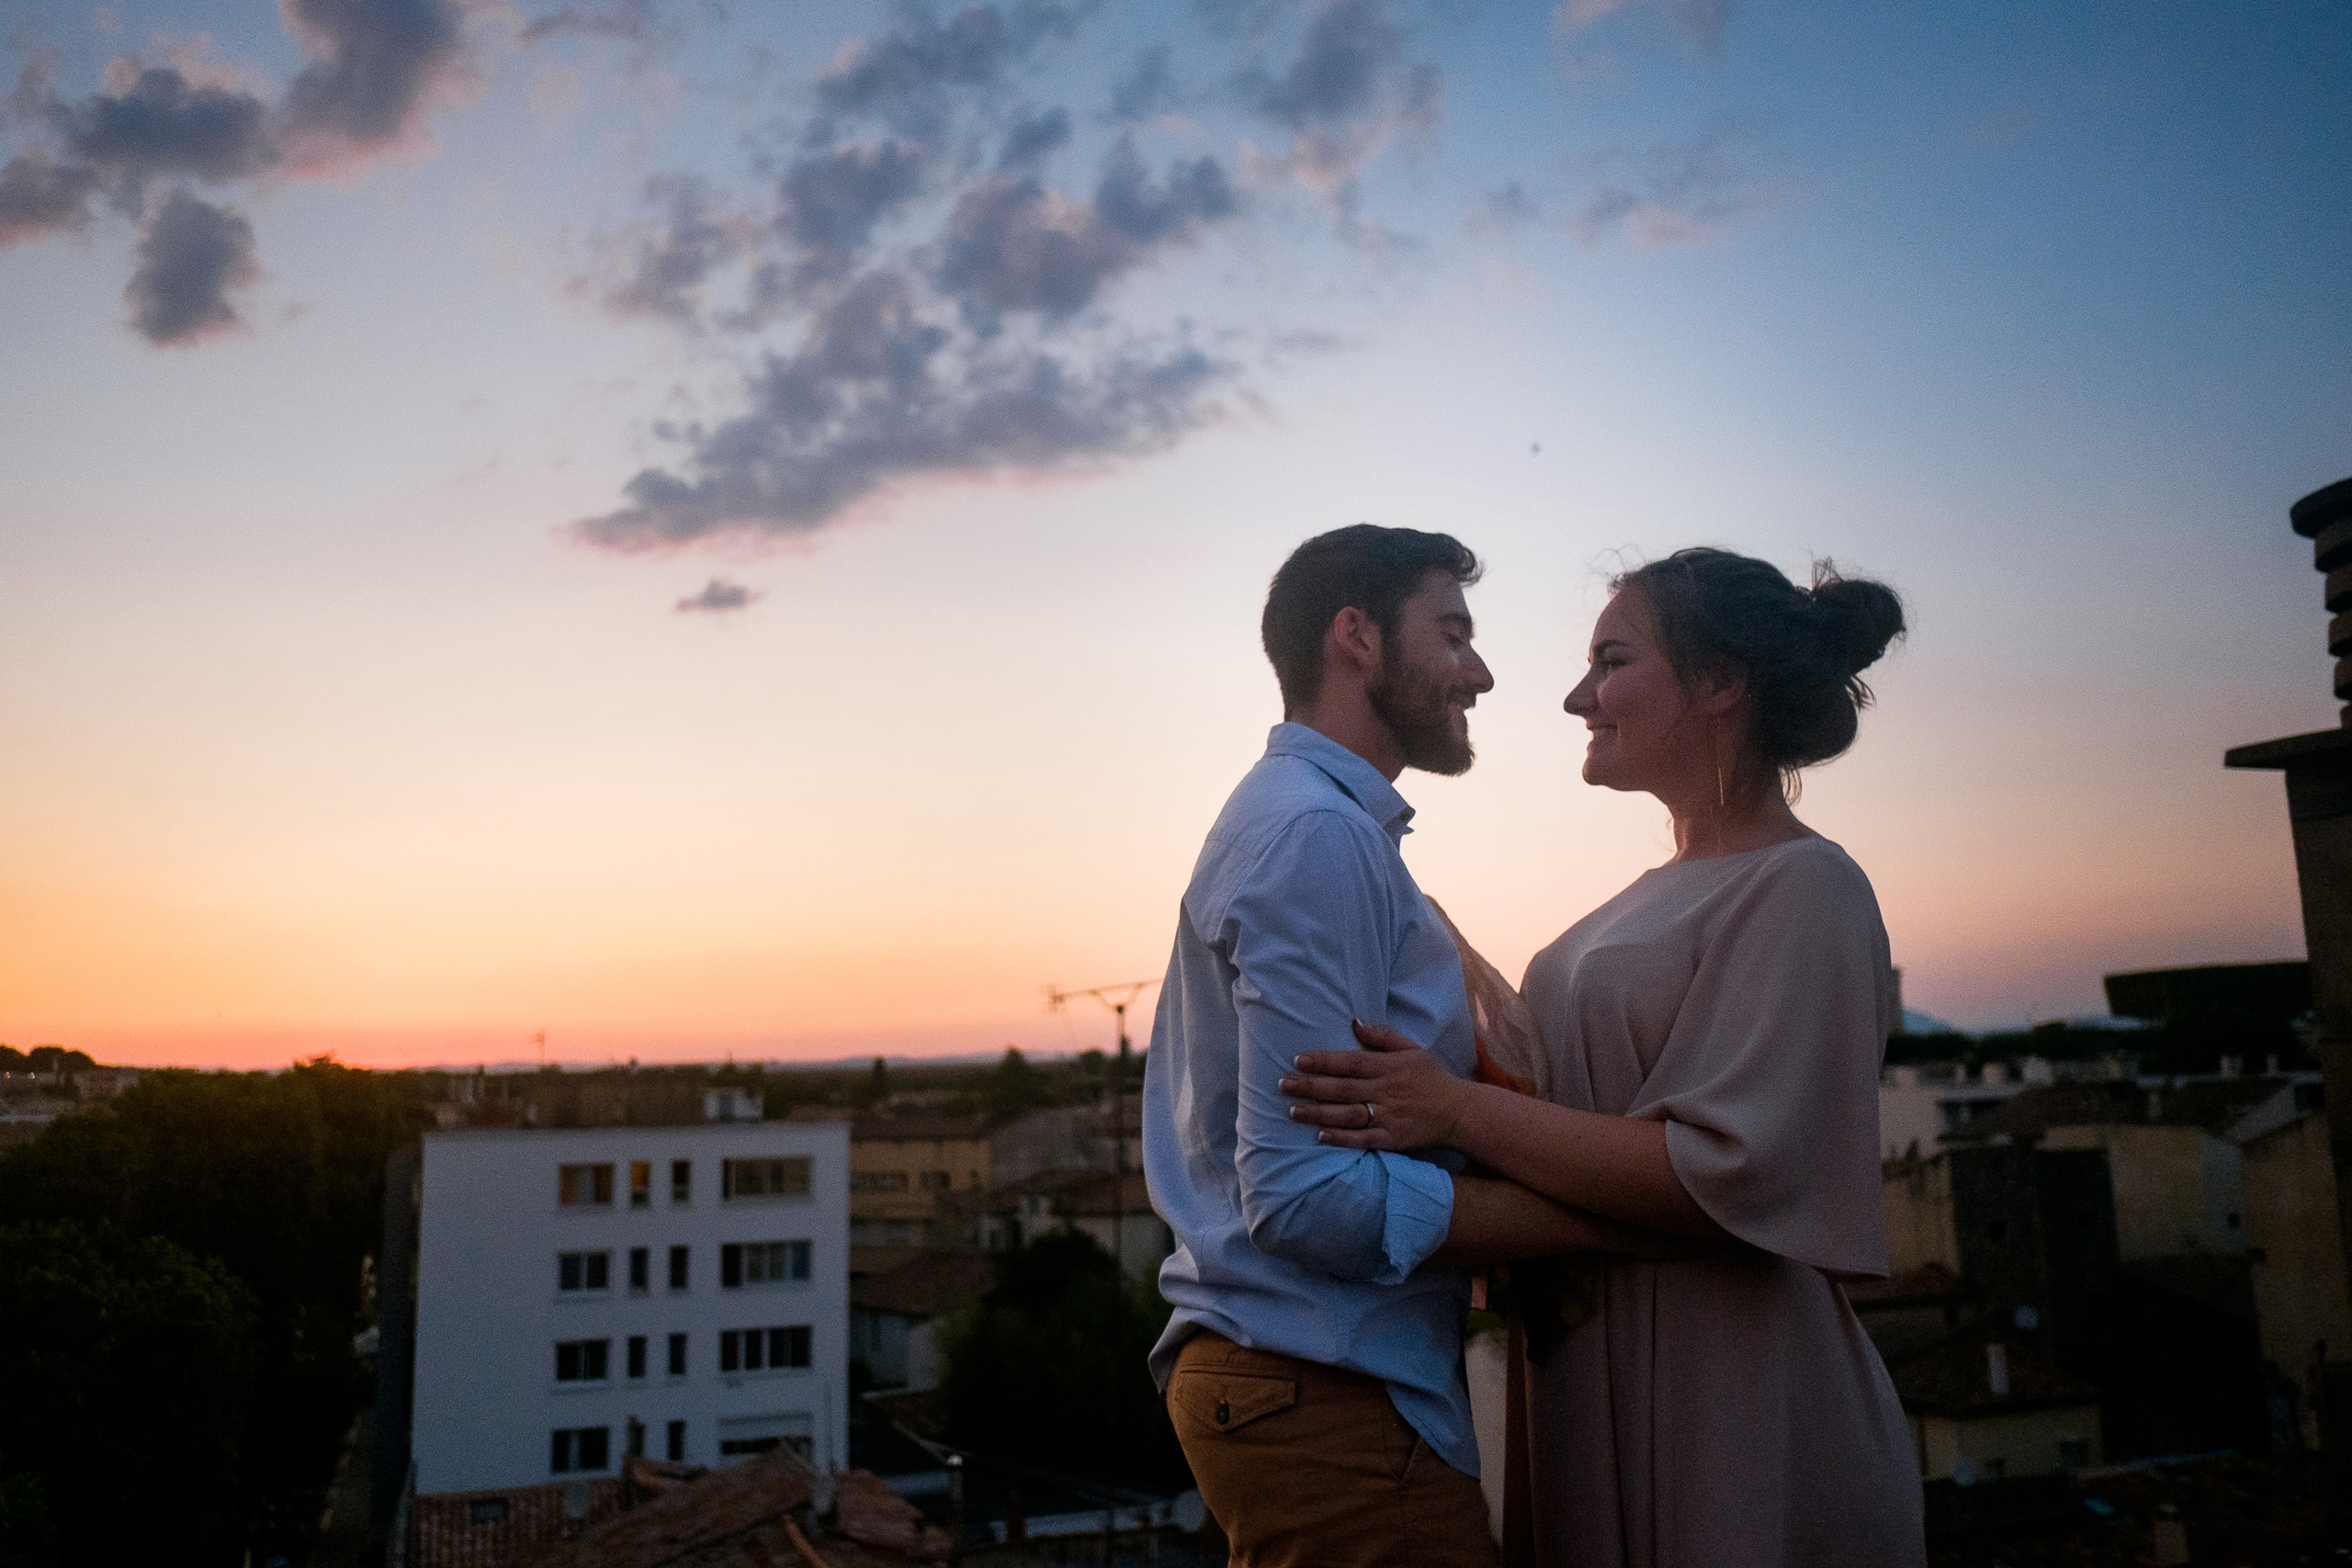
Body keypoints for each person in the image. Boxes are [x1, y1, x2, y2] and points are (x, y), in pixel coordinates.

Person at [1282, 547, 1927, 1566]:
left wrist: (1453, 1111)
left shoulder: (1809, 887)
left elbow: (1729, 1170)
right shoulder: (1636, 899)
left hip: (1734, 1391)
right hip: (1586, 1365)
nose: (1578, 696)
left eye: (1612, 661)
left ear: (1721, 685)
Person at [1142, 525, 1686, 1568]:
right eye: (1452, 634)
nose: (1479, 673)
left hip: (1299, 1385)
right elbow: (1303, 1198)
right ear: (1355, 637)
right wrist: (1602, 1218)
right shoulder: (1315, 835)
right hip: (1320, 1393)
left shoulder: (1311, 825)